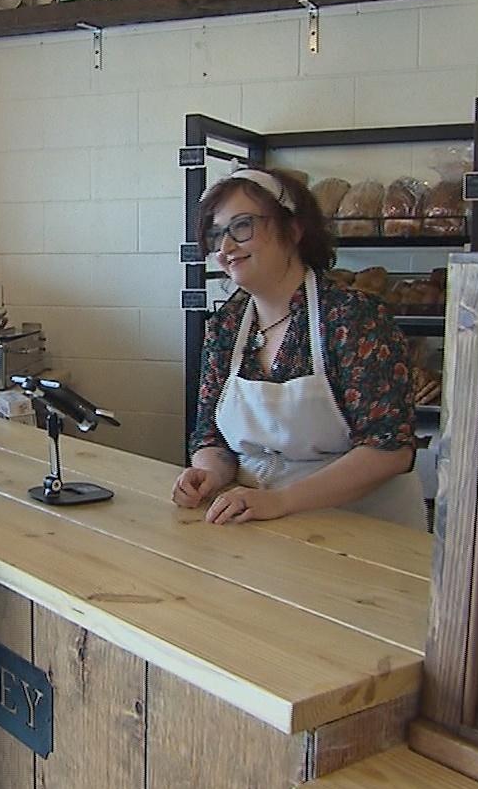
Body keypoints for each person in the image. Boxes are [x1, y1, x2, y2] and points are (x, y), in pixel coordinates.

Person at [171, 167, 422, 526]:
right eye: (216, 234)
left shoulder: (351, 317)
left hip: (364, 525)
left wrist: (281, 501)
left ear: (293, 229)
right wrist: (210, 473)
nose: (225, 248)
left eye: (242, 227)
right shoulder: (226, 326)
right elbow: (209, 436)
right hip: (263, 522)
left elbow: (390, 449)